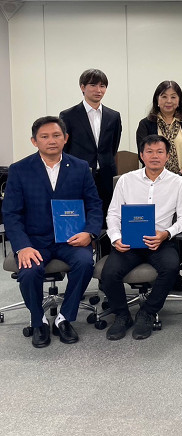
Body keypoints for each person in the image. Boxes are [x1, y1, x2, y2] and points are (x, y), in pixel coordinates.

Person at [2, 116, 102, 348]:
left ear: (65, 138)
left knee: (85, 263)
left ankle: (64, 318)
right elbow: (11, 214)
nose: (51, 141)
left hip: (71, 238)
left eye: (56, 135)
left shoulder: (80, 167)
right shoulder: (19, 170)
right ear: (34, 141)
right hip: (34, 241)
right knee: (29, 271)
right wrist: (22, 246)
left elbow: (94, 205)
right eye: (44, 136)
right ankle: (38, 321)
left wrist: (90, 233)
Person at [100, 135, 182, 341]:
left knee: (171, 269)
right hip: (129, 241)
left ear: (167, 156)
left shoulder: (178, 182)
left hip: (161, 240)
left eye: (160, 152)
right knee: (109, 273)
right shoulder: (126, 180)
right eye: (149, 152)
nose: (154, 156)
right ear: (141, 155)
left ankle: (147, 312)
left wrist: (166, 233)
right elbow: (113, 214)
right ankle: (122, 315)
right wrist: (115, 238)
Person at [136, 80, 182, 293]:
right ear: (157, 99)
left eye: (173, 96)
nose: (168, 101)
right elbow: (144, 153)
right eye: (164, 96)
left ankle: (176, 273)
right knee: (156, 224)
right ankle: (155, 269)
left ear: (179, 100)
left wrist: (179, 176)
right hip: (154, 184)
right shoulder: (146, 124)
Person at [59, 68, 122, 220]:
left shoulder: (113, 116)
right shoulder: (68, 115)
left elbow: (113, 146)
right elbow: (64, 148)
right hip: (78, 174)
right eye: (93, 85)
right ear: (82, 87)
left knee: (107, 216)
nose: (98, 90)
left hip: (106, 174)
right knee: (81, 216)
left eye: (102, 86)